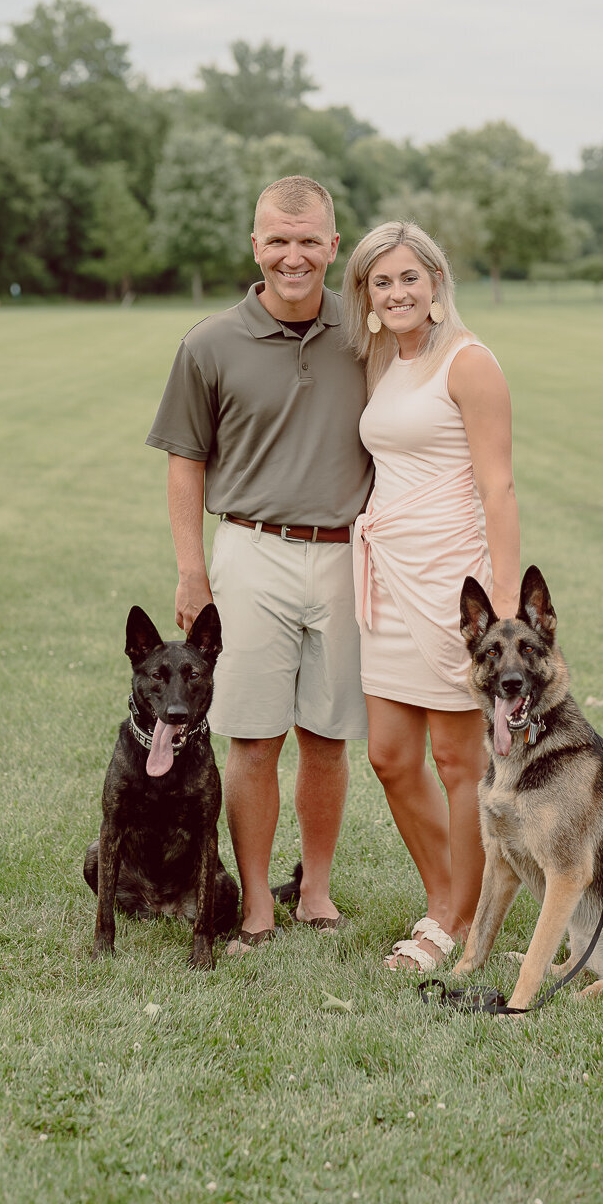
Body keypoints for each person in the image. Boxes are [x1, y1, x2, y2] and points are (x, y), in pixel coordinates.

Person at [146, 176, 372, 949]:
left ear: (333, 247)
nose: (293, 255)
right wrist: (190, 569)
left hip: (345, 555)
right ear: (254, 246)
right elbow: (184, 461)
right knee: (251, 736)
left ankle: (313, 891)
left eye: (309, 241)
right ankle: (254, 906)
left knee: (328, 736)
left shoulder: (365, 331)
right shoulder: (208, 343)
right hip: (248, 552)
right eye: (277, 239)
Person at [344, 221, 521, 972]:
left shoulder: (468, 362)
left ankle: (453, 921)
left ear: (435, 282)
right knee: (388, 756)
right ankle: (445, 895)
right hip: (388, 576)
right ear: (369, 295)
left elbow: (498, 485)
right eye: (381, 282)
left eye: (408, 277)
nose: (396, 292)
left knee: (456, 761)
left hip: (454, 581)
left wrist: (505, 611)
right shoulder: (384, 357)